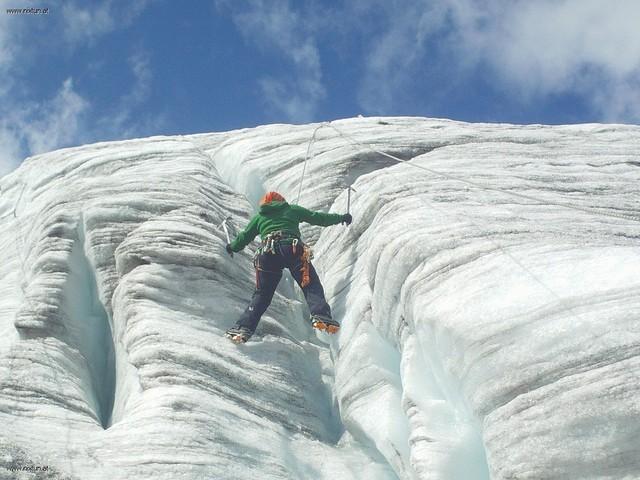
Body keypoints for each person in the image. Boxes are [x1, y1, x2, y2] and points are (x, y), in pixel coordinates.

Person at [224, 191, 352, 343]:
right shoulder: (292, 209)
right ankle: (321, 315)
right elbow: (318, 218)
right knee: (310, 284)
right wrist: (341, 218)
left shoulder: (260, 217)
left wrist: (232, 247)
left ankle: (242, 328)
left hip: (267, 254)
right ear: (281, 200)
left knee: (262, 295)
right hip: (291, 248)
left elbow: (245, 236)